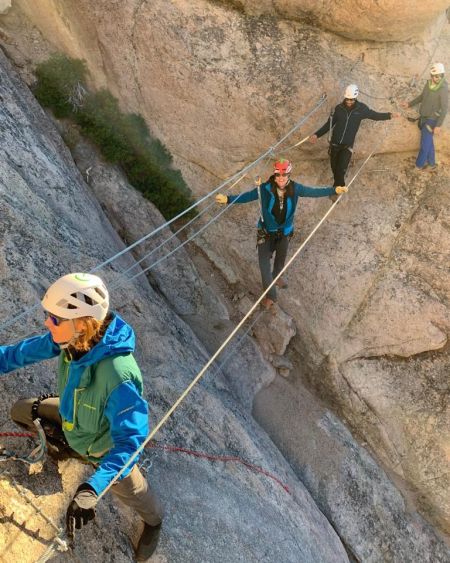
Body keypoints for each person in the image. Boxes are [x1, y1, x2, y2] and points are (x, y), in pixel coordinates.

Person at [0, 273, 163, 561]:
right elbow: (17, 355)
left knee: (137, 495)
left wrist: (91, 488)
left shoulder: (119, 374)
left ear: (83, 323)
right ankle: (64, 448)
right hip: (71, 420)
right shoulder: (68, 339)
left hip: (103, 450)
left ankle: (154, 522)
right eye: (48, 315)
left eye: (55, 318)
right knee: (21, 411)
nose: (47, 323)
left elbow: (129, 445)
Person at [215, 159, 347, 309]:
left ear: (289, 174)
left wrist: (334, 190)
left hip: (284, 232)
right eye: (278, 175)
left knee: (281, 259)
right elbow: (248, 196)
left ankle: (277, 277)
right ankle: (271, 296)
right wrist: (228, 199)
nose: (281, 178)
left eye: (284, 174)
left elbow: (314, 192)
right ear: (274, 174)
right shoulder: (264, 188)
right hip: (266, 232)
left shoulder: (295, 188)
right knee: (264, 267)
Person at [309, 84, 400, 188]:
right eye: (347, 99)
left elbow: (375, 115)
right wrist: (316, 135)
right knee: (335, 170)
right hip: (334, 145)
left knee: (340, 171)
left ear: (356, 97)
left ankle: (337, 191)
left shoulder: (361, 109)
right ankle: (338, 188)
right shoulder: (338, 109)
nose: (349, 101)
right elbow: (328, 124)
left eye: (351, 99)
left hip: (347, 146)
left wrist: (390, 115)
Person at [400, 63, 448, 171]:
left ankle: (418, 165)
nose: (436, 78)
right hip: (424, 117)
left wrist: (439, 125)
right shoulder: (429, 83)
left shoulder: (443, 88)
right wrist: (409, 104)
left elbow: (445, 108)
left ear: (442, 75)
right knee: (428, 142)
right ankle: (432, 164)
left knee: (424, 145)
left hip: (432, 119)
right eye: (434, 76)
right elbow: (422, 97)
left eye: (439, 76)